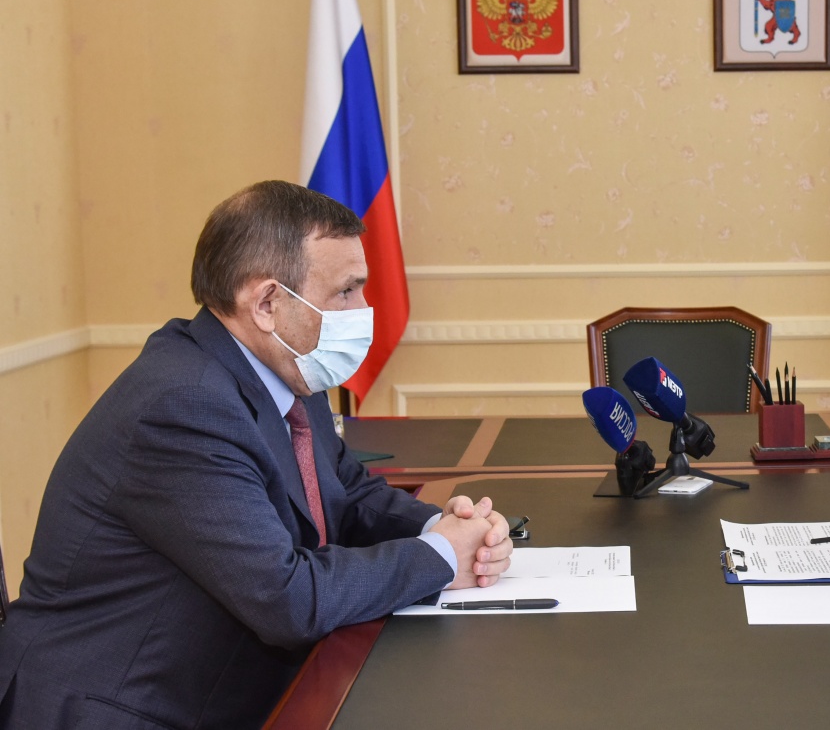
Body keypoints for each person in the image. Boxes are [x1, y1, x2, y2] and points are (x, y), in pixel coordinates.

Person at [0, 181, 513, 728]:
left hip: (221, 687)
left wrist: (446, 527)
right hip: (119, 709)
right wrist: (439, 556)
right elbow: (287, 598)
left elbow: (345, 488)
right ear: (267, 304)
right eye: (346, 291)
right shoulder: (185, 404)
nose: (364, 309)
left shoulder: (286, 370)